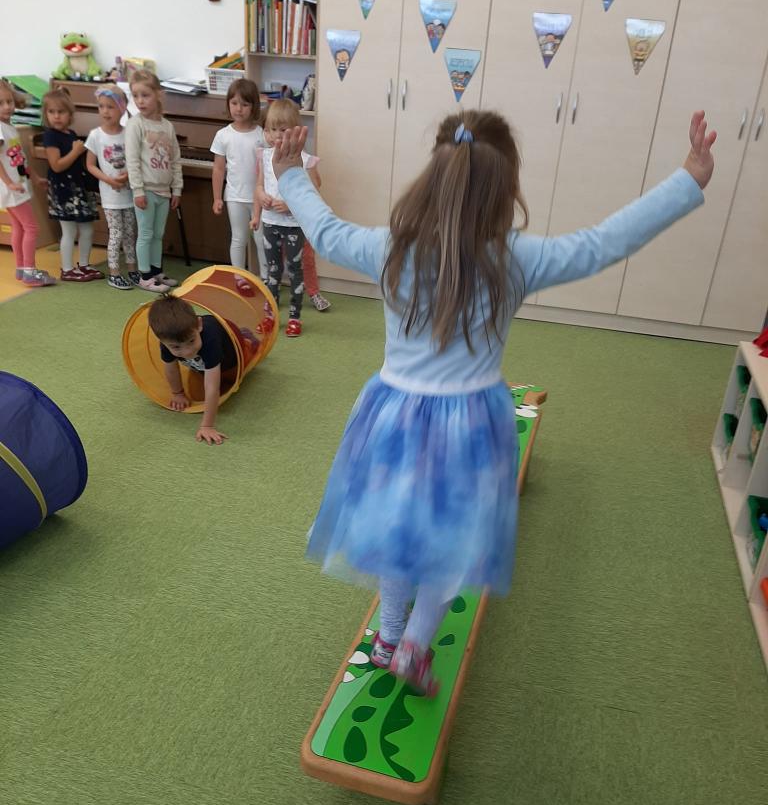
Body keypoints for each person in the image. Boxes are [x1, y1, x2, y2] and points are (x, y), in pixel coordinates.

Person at [270, 108, 716, 695]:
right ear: (506, 188)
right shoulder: (515, 258)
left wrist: (289, 173)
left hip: (394, 416)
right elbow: (603, 244)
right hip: (471, 424)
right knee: (451, 544)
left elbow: (326, 233)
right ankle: (413, 646)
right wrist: (688, 178)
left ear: (434, 172)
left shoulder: (389, 248)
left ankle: (389, 635)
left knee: (398, 531)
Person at [147, 293, 257, 445]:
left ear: (199, 325)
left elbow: (212, 387)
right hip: (206, 361)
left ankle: (247, 340)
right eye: (176, 347)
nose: (187, 352)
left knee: (234, 376)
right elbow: (171, 369)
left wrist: (207, 426)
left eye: (191, 341)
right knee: (199, 394)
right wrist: (177, 393)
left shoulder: (210, 339)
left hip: (231, 347)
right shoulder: (168, 342)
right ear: (161, 340)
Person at [252, 98, 321, 337]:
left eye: (282, 130)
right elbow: (259, 185)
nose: (276, 136)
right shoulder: (264, 156)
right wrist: (262, 197)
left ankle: (294, 316)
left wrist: (291, 204)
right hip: (270, 223)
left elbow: (314, 190)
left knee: (294, 270)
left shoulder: (305, 159)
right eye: (271, 129)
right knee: (272, 271)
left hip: (293, 226)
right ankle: (270, 317)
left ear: (295, 132)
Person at [125, 69, 182, 292]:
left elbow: (175, 159)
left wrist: (177, 189)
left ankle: (157, 271)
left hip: (164, 191)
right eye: (135, 96)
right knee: (146, 234)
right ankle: (145, 275)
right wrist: (138, 190)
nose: (140, 101)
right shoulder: (135, 124)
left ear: (158, 94)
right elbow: (132, 161)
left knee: (158, 234)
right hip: (146, 190)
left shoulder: (167, 126)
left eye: (145, 95)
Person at [42, 88, 102, 282]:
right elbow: (56, 165)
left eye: (61, 112)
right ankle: (67, 269)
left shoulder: (72, 134)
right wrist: (76, 152)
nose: (56, 116)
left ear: (70, 114)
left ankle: (84, 265)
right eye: (51, 112)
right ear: (46, 114)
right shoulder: (50, 136)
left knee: (87, 229)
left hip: (78, 189)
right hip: (64, 191)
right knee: (69, 231)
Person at [210, 78, 268, 278]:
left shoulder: (261, 135)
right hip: (234, 196)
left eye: (244, 104)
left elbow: (268, 168)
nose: (239, 109)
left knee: (261, 240)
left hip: (259, 198)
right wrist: (217, 198)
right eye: (234, 103)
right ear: (228, 104)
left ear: (254, 107)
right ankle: (239, 278)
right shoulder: (223, 135)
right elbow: (218, 169)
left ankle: (267, 279)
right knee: (239, 238)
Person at [0, 79, 55, 287]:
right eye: (1, 103)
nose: (7, 106)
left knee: (19, 227)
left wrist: (36, 177)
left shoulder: (9, 127)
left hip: (17, 185)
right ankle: (30, 271)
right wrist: (9, 183)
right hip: (12, 188)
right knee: (31, 228)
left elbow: (19, 160)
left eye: (9, 101)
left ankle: (22, 268)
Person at [85, 86, 138, 290]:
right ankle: (114, 273)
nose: (105, 111)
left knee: (130, 233)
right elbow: (90, 165)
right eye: (101, 106)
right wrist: (109, 180)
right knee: (116, 234)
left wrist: (128, 175)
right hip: (110, 197)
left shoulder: (128, 134)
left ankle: (132, 270)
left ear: (122, 108)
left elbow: (135, 160)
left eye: (111, 107)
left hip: (129, 194)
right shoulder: (95, 135)